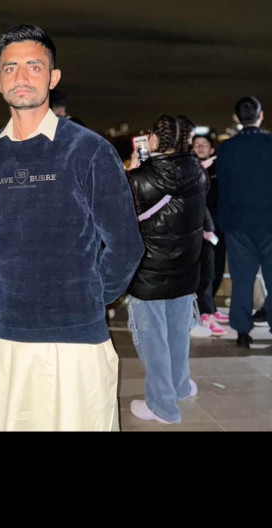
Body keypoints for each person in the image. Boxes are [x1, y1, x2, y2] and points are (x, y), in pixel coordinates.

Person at [0, 24, 144, 431]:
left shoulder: (89, 150)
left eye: (34, 66)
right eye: (10, 68)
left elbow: (126, 244)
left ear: (53, 77)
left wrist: (89, 296)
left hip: (72, 334)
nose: (21, 77)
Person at [126, 114, 210, 424]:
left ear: (155, 139)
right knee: (178, 334)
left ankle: (162, 406)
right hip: (186, 268)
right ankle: (180, 386)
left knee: (153, 340)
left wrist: (134, 166)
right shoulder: (198, 172)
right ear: (187, 139)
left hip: (149, 272)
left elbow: (121, 214)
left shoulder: (141, 178)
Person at [216, 96, 272, 348]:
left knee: (241, 279)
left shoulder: (227, 148)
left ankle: (241, 331)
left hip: (237, 223)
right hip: (269, 222)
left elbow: (223, 188)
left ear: (236, 118)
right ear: (261, 116)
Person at [191, 131, 229, 334]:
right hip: (200, 228)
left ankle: (210, 308)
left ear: (212, 149)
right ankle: (204, 313)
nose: (200, 147)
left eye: (204, 144)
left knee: (217, 268)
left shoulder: (219, 168)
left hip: (219, 226)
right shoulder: (190, 169)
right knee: (206, 271)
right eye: (197, 144)